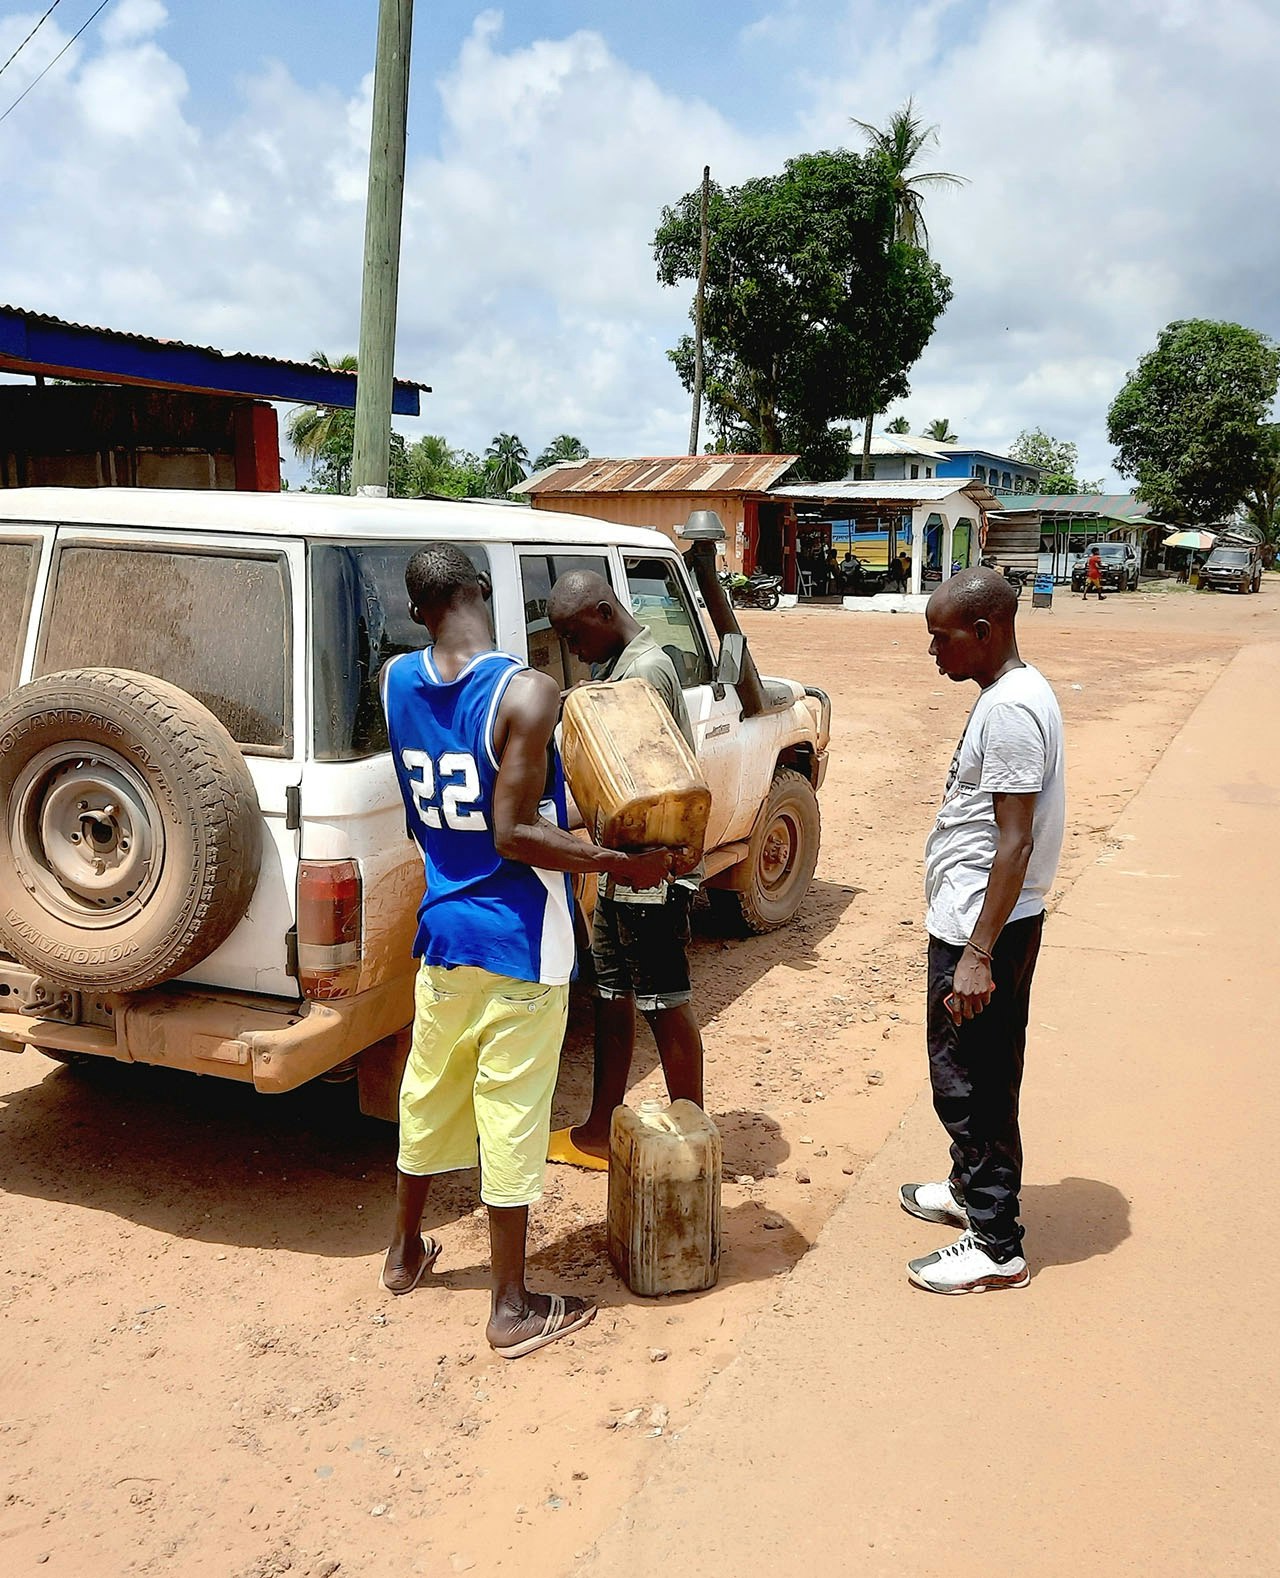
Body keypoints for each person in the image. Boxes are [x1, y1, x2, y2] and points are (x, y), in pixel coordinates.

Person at [379, 546, 671, 1356]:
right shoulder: (530, 690)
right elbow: (512, 833)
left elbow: (464, 806)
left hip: (443, 930)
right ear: (481, 588)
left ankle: (405, 1254)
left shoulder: (397, 680)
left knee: (429, 1092)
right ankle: (509, 1307)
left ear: (419, 610)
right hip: (518, 936)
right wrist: (620, 861)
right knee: (510, 1111)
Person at [900, 567, 1065, 1294]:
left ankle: (996, 1243)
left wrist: (976, 953)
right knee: (979, 1067)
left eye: (941, 638)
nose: (934, 652)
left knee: (972, 1081)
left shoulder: (1010, 711)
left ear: (984, 632)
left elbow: (1015, 842)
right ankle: (971, 1191)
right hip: (982, 921)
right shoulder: (1013, 694)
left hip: (984, 927)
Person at [543, 570, 706, 1170]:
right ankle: (599, 1130)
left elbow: (647, 783)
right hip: (627, 866)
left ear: (604, 614)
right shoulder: (616, 672)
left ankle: (691, 1138)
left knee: (663, 1000)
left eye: (572, 633)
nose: (570, 648)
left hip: (652, 870)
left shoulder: (643, 672)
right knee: (613, 994)